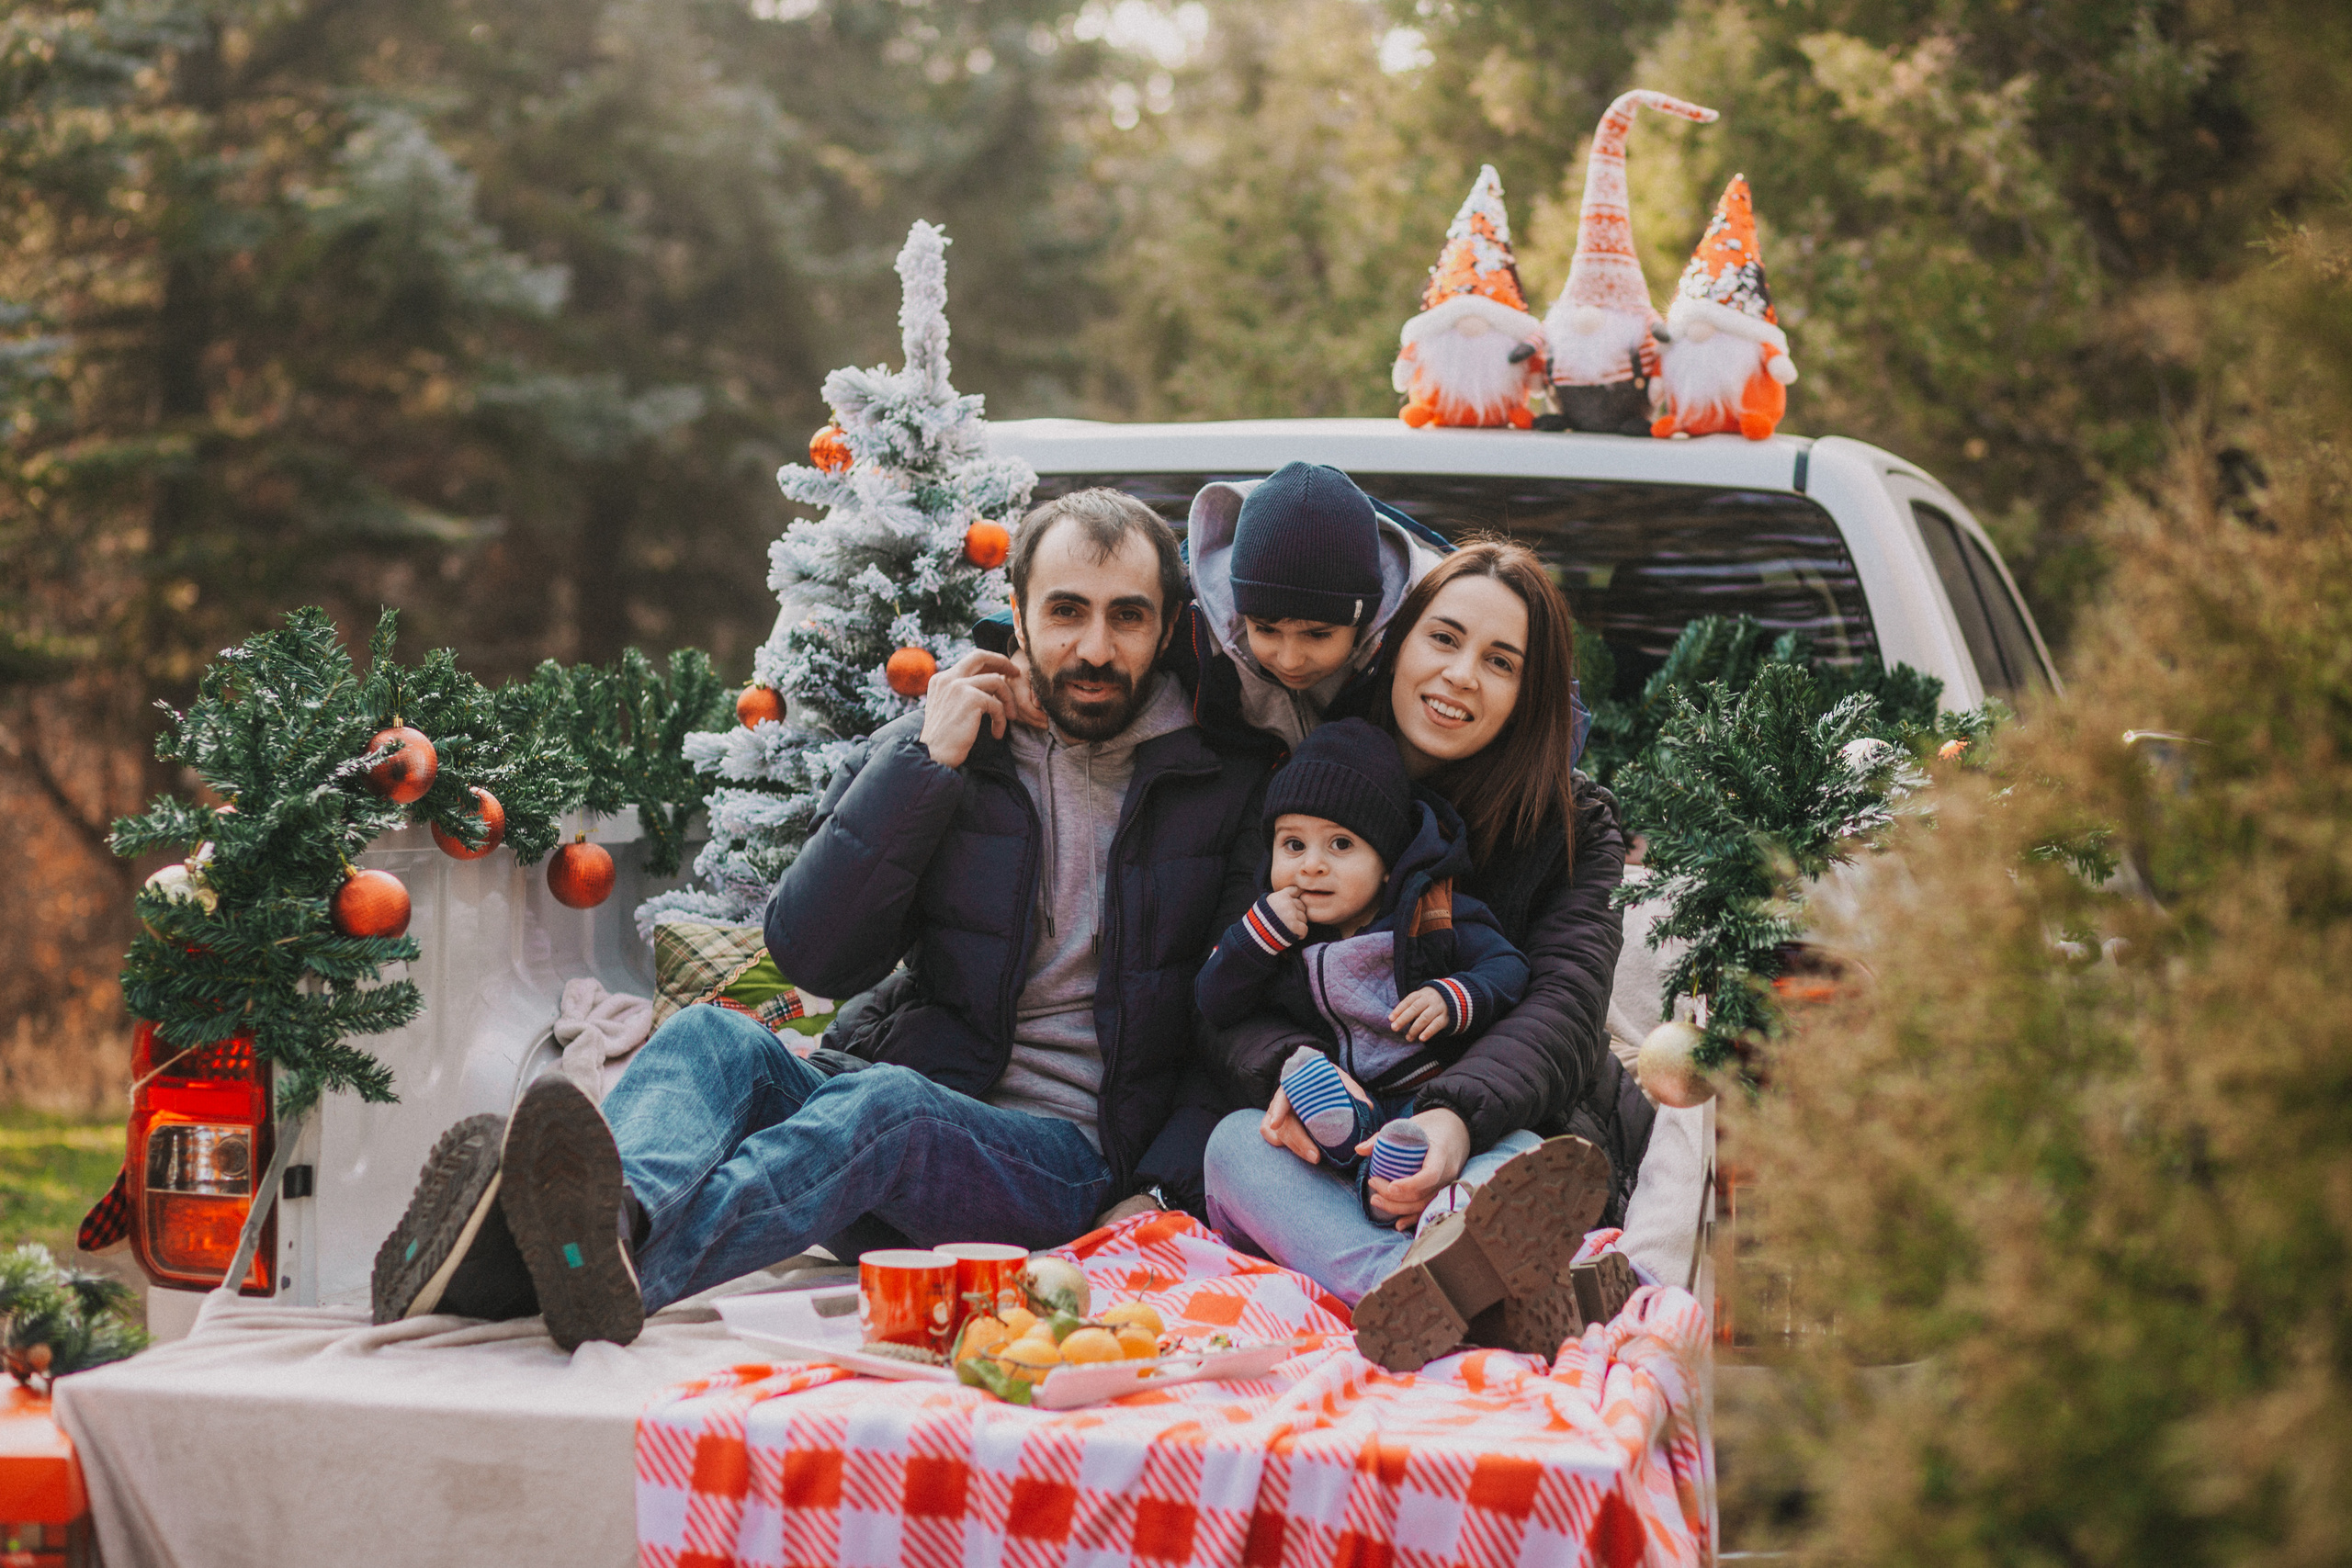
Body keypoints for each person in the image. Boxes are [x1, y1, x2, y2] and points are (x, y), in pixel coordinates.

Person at [368, 490, 1269, 1348]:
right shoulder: (952, 746)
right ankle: (603, 1234)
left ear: (1168, 625)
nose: (1095, 647)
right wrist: (925, 761)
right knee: (715, 1038)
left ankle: (578, 1284)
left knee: (884, 1106)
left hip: (1063, 1165)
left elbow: (1231, 1022)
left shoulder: (1219, 786)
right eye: (1067, 611)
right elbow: (811, 953)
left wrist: (1159, 1187)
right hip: (881, 1136)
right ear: (1019, 609)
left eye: (1128, 616)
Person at [1200, 538, 1646, 1372]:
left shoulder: (1573, 826)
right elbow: (1230, 981)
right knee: (1231, 1148)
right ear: (1399, 644)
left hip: (1493, 1132)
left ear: (1529, 692)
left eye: (1500, 660)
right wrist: (1290, 1074)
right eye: (1443, 638)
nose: (1461, 675)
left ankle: (1442, 1281)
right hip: (1343, 1146)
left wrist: (1452, 1114)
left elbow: (1565, 1007)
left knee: (1527, 1165)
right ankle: (1431, 1292)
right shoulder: (1314, 778)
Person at [1193, 718, 1529, 1191]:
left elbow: (1508, 966)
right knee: (1243, 1140)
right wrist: (1256, 939)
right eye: (1293, 844)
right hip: (1353, 1095)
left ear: (1388, 863)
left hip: (1430, 1095)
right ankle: (1362, 1153)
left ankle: (1415, 1190)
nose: (1311, 864)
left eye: (1341, 844)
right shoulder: (1277, 934)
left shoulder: (1429, 913)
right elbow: (1214, 1001)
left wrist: (1453, 996)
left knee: (1512, 1146)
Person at [1180, 461, 1445, 751]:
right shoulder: (1195, 635)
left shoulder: (1420, 642)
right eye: (1266, 630)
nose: (1290, 660)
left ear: (1365, 621)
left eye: (1318, 635)